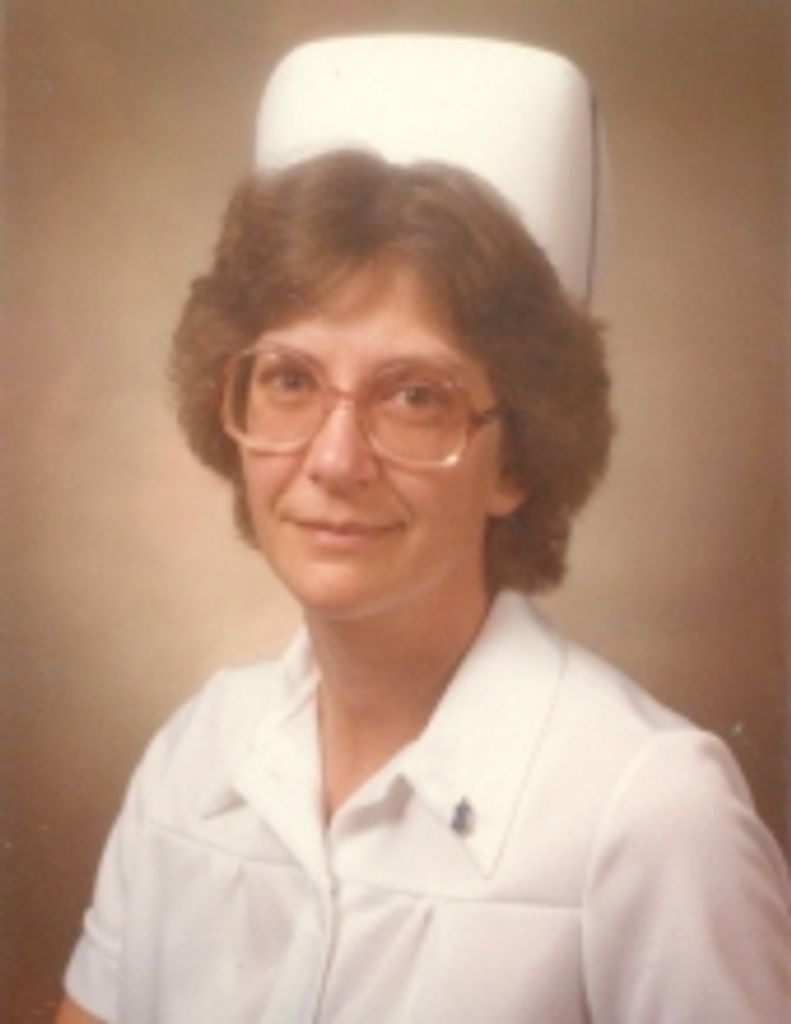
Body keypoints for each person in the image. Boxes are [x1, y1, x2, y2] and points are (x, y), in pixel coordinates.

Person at [58, 138, 788, 1024]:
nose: (335, 460)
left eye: (414, 396)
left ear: (514, 460)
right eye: (289, 379)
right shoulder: (195, 753)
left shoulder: (652, 811)